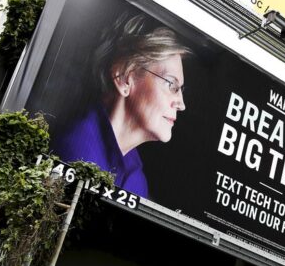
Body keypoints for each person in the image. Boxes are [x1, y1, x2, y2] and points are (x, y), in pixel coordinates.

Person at [53, 13, 190, 197]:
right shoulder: (77, 150)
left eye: (180, 89)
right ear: (125, 78)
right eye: (170, 84)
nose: (181, 104)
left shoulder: (136, 177)